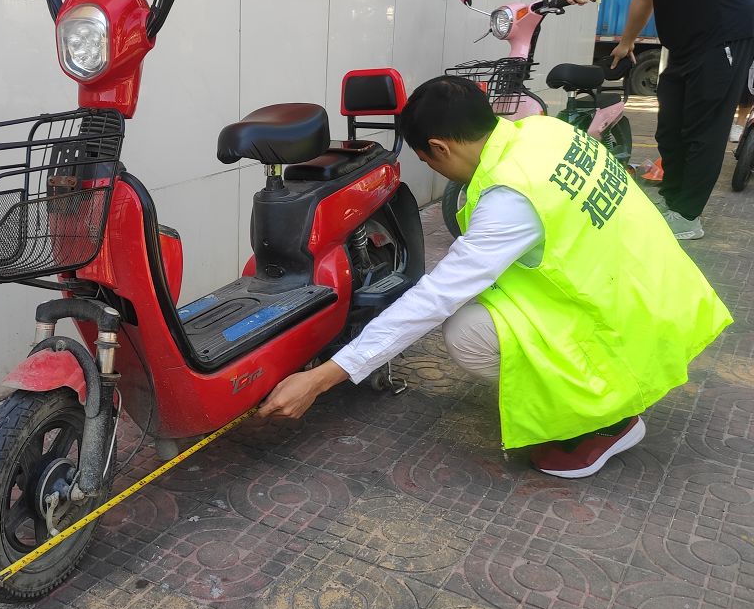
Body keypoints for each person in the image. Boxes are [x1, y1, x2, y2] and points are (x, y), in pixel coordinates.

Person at [256, 76, 731, 479]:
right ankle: (604, 393)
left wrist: (320, 379)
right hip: (656, 290)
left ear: (439, 147)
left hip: (628, 324)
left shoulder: (511, 198)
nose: (435, 169)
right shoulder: (543, 132)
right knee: (479, 302)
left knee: (465, 332)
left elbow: (435, 297)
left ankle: (605, 420)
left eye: (429, 161)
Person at [567, 0, 754, 240]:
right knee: (670, 127)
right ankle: (672, 200)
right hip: (684, 46)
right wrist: (626, 42)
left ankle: (687, 216)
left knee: (703, 128)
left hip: (722, 38)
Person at [730, 0, 754, 143]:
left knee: (750, 84)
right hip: (736, 38)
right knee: (730, 79)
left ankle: (740, 123)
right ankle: (724, 119)